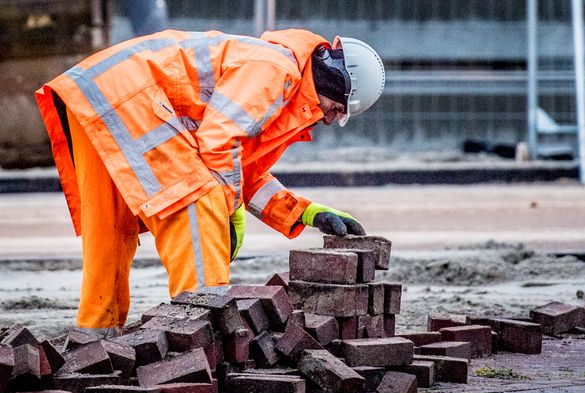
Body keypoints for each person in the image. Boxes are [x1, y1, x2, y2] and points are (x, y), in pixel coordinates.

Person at [35, 28, 386, 338]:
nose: (332, 119)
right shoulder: (276, 70)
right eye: (338, 109)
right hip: (130, 96)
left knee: (112, 230)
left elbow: (241, 169)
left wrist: (306, 212)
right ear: (335, 82)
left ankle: (94, 338)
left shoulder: (283, 83)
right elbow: (218, 144)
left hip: (97, 95)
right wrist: (228, 211)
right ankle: (199, 335)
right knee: (197, 201)